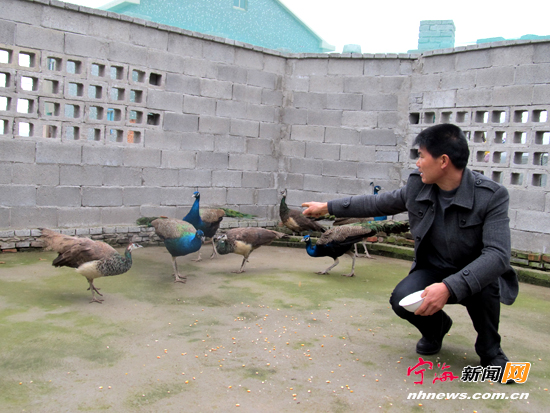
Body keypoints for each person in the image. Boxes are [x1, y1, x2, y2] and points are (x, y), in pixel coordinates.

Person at [302, 123, 518, 380]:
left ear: (443, 161)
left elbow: (497, 255)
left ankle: (490, 350)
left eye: (422, 156)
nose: (417, 163)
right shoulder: (419, 185)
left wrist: (449, 287)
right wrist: (328, 207)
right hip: (434, 268)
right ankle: (436, 329)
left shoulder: (491, 195)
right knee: (401, 299)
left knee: (487, 285)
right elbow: (377, 203)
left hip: (475, 272)